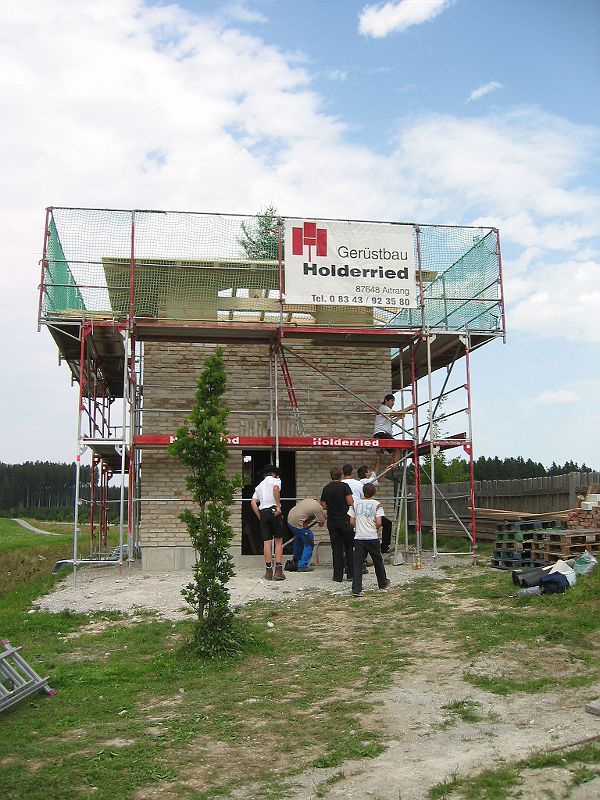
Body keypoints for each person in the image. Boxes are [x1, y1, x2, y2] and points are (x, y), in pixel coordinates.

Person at [348, 482, 391, 597]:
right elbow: (379, 522)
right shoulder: (377, 504)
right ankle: (382, 583)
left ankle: (356, 589)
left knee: (358, 563)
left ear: (363, 492)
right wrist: (374, 529)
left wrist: (358, 528)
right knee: (378, 561)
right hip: (372, 537)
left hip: (359, 537)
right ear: (374, 492)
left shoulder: (355, 504)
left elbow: (351, 521)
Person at [251, 464, 285, 581]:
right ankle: (279, 570)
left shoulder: (259, 486)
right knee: (279, 541)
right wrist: (278, 506)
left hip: (264, 512)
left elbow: (253, 502)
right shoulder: (276, 481)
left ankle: (268, 570)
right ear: (274, 473)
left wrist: (259, 516)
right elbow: (276, 489)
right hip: (274, 510)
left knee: (267, 542)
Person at [320, 466, 354, 582]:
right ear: (341, 475)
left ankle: (337, 575)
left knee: (336, 548)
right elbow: (350, 502)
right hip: (345, 520)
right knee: (349, 547)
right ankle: (351, 574)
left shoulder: (326, 489)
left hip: (332, 522)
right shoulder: (345, 487)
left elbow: (323, 505)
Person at [286, 498, 326, 572]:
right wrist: (324, 517)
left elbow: (306, 516)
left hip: (290, 520)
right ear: (324, 502)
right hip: (297, 522)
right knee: (309, 542)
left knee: (299, 540)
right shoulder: (319, 508)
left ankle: (296, 561)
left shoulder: (312, 501)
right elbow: (321, 524)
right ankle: (302, 565)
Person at [373, 393, 402, 465]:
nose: (393, 403)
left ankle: (391, 467)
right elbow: (396, 413)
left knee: (395, 450)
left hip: (382, 434)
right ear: (386, 400)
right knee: (397, 448)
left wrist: (398, 417)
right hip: (381, 433)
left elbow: (390, 423)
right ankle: (394, 467)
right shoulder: (384, 408)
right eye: (392, 401)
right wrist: (410, 407)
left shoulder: (386, 412)